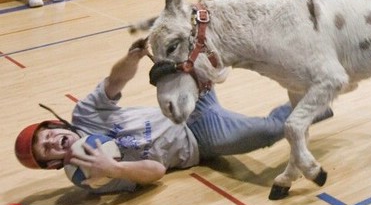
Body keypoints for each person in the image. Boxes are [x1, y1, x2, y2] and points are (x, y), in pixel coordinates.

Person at [13, 40, 310, 193]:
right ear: (52, 163)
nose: (53, 140)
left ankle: (221, 64)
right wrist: (113, 169)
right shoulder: (89, 178)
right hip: (199, 139)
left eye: (48, 134)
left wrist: (132, 58)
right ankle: (317, 100)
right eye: (47, 148)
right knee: (271, 130)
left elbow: (115, 81)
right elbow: (155, 172)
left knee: (182, 47)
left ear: (54, 124)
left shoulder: (84, 115)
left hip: (182, 106)